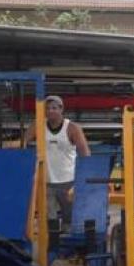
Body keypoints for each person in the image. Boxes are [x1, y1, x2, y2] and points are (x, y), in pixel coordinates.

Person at [40, 95, 90, 231]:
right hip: (47, 181)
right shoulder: (38, 126)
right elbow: (22, 142)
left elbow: (85, 153)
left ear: (61, 109)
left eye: (54, 108)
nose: (50, 111)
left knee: (69, 218)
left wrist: (85, 178)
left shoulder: (72, 128)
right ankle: (52, 241)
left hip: (68, 181)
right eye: (47, 108)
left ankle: (67, 238)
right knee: (50, 218)